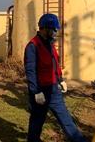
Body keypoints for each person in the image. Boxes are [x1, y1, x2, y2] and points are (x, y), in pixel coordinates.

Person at [24, 13, 87, 142]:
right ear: (44, 28)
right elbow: (30, 71)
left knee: (65, 119)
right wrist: (36, 92)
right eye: (53, 29)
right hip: (40, 91)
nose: (55, 32)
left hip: (53, 89)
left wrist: (60, 79)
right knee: (37, 121)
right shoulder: (33, 46)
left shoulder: (49, 44)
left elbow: (54, 64)